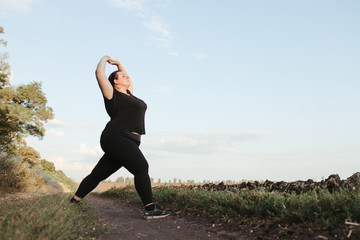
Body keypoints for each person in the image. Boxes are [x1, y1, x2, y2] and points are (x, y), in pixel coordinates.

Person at [70, 55, 170, 220]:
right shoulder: (112, 94)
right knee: (141, 167)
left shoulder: (130, 95)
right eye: (122, 76)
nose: (126, 76)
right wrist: (104, 59)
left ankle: (74, 201)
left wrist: (120, 65)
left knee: (98, 175)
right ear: (115, 82)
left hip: (128, 140)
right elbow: (99, 73)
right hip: (115, 137)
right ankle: (150, 209)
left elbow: (129, 82)